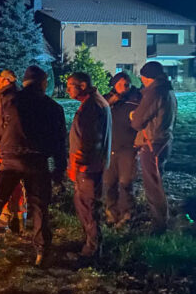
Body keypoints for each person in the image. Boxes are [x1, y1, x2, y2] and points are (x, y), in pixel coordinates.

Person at [0, 66, 67, 267]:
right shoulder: (53, 107)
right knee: (39, 207)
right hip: (37, 162)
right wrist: (59, 169)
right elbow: (59, 141)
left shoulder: (9, 101)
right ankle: (42, 252)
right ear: (43, 83)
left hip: (10, 160)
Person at [66, 72, 112, 261]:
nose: (68, 89)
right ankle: (91, 243)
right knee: (88, 205)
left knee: (87, 207)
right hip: (95, 165)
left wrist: (79, 164)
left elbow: (90, 140)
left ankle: (91, 250)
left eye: (71, 85)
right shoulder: (97, 102)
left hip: (88, 168)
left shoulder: (91, 108)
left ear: (82, 85)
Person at [130, 61, 178, 234]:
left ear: (145, 77)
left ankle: (159, 225)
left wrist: (133, 114)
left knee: (153, 185)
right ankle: (160, 219)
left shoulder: (154, 92)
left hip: (152, 144)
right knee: (156, 181)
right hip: (164, 141)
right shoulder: (168, 91)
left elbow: (137, 122)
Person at [0, 70, 27, 231]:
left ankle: (5, 217)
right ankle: (19, 216)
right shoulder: (15, 97)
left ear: (7, 81)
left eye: (0, 80)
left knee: (0, 183)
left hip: (0, 148)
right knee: (15, 183)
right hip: (8, 147)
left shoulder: (4, 98)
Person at [103, 72, 142, 228]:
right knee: (108, 182)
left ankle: (126, 215)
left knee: (125, 183)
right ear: (114, 85)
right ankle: (111, 214)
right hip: (110, 147)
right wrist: (110, 102)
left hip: (129, 148)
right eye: (120, 84)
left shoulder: (137, 100)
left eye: (126, 84)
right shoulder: (108, 100)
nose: (124, 87)